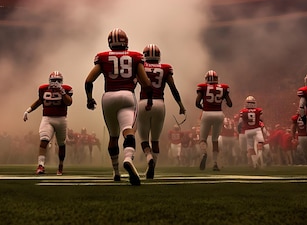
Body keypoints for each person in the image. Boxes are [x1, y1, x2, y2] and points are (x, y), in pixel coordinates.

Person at [84, 28, 153, 185]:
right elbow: (146, 83)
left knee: (113, 136)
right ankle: (128, 158)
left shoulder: (102, 57)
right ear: (125, 41)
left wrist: (89, 99)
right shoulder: (135, 57)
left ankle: (115, 172)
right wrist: (149, 100)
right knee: (128, 131)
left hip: (108, 97)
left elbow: (88, 81)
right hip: (127, 95)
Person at [137, 44, 186, 179]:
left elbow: (133, 83)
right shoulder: (165, 69)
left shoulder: (141, 67)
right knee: (156, 140)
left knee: (143, 139)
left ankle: (148, 158)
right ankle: (151, 168)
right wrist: (181, 105)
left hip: (144, 103)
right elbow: (173, 88)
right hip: (160, 103)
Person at [23, 70, 73, 175]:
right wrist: (28, 110)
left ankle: (60, 165)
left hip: (61, 119)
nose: (56, 83)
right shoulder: (43, 89)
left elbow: (69, 103)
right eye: (54, 80)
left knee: (61, 144)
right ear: (49, 81)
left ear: (62, 81)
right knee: (44, 140)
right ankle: (41, 165)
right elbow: (39, 101)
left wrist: (62, 92)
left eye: (58, 81)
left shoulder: (67, 89)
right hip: (47, 118)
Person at [195, 70, 232, 171]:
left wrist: (203, 107)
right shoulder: (223, 88)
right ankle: (215, 163)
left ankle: (204, 153)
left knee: (203, 139)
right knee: (215, 140)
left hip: (206, 113)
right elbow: (230, 104)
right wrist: (222, 98)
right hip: (219, 114)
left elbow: (197, 103)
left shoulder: (203, 87)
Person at [238, 96, 265, 168]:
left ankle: (254, 163)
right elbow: (261, 120)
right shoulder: (258, 110)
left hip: (248, 130)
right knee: (260, 143)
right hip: (256, 129)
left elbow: (240, 123)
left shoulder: (243, 111)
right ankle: (259, 156)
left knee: (250, 147)